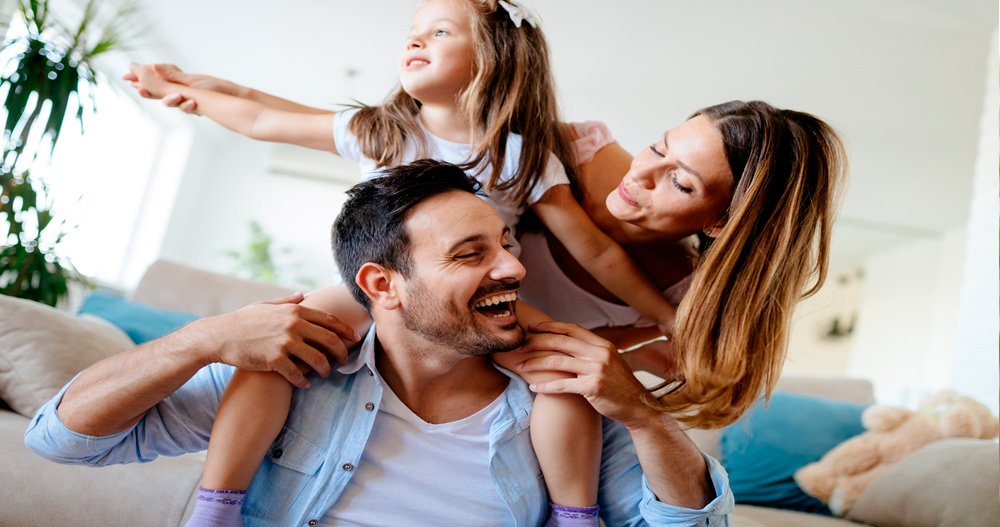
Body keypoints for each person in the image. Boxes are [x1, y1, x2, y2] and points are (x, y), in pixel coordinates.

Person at [123, 0, 676, 519]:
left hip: (474, 302)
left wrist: (668, 317)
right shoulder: (384, 132)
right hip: (373, 289)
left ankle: (574, 516)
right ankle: (217, 505)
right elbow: (261, 120)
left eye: (439, 31)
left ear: (493, 58)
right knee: (278, 352)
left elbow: (596, 250)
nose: (415, 39)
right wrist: (193, 95)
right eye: (413, 31)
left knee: (564, 372)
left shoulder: (521, 155)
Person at [24, 161, 734, 527]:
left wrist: (643, 414)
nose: (516, 268)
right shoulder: (301, 375)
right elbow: (61, 439)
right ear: (384, 283)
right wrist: (204, 337)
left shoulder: (562, 403)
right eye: (470, 253)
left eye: (509, 244)